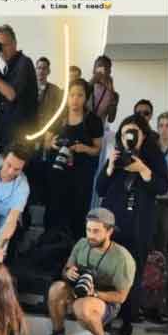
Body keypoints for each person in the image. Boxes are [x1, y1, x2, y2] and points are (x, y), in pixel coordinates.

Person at [95, 114, 168, 335]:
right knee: (107, 270)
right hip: (113, 221)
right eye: (125, 132)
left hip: (139, 223)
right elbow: (100, 189)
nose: (129, 137)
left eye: (134, 132)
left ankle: (127, 319)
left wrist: (143, 170)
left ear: (143, 135)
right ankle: (105, 316)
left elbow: (162, 187)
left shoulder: (153, 157)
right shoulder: (117, 155)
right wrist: (110, 166)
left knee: (133, 272)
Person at [40, 208, 136, 335]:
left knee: (82, 306)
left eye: (96, 231)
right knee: (56, 288)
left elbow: (121, 297)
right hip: (78, 291)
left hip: (105, 301)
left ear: (109, 231)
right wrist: (68, 273)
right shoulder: (82, 244)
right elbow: (65, 270)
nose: (91, 235)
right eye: (88, 230)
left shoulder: (122, 258)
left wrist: (95, 293)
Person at [42, 78, 104, 240]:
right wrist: (53, 144)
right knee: (55, 208)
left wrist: (84, 148)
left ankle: (75, 244)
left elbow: (97, 149)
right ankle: (50, 243)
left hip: (81, 175)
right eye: (72, 95)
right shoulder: (58, 117)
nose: (75, 99)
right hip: (58, 172)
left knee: (78, 210)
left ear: (86, 98)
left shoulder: (93, 121)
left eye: (80, 95)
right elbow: (46, 143)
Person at [0, 24, 38, 149]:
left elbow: (11, 94)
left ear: (15, 43)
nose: (1, 50)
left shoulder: (24, 62)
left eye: (5, 45)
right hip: (9, 135)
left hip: (22, 136)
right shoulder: (8, 68)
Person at [153, 111, 168, 255]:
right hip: (150, 198)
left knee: (162, 238)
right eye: (161, 125)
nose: (164, 129)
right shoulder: (152, 146)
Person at [87, 55, 119, 125]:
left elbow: (111, 119)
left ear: (109, 71)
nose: (103, 69)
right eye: (99, 66)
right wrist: (92, 82)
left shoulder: (113, 94)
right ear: (93, 69)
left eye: (106, 67)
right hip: (81, 128)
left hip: (98, 129)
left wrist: (111, 92)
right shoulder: (84, 86)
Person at [35, 56, 63, 130]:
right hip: (31, 129)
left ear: (48, 71)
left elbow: (60, 112)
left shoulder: (56, 90)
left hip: (49, 130)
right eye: (39, 68)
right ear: (35, 70)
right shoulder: (28, 89)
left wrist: (53, 130)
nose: (41, 71)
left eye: (44, 68)